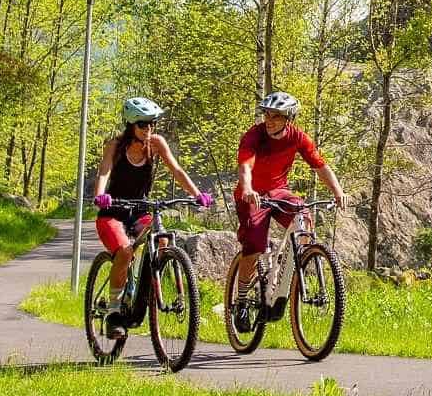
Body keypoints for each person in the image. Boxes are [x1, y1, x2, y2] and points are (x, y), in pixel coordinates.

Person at [92, 95, 212, 337]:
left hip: (139, 210)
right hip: (112, 213)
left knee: (162, 241)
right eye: (143, 124)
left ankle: (145, 294)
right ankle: (114, 312)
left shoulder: (156, 144)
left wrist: (198, 194)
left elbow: (177, 170)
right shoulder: (115, 146)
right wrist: (100, 195)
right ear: (131, 125)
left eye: (152, 124)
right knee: (125, 252)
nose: (149, 129)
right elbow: (104, 172)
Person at [230, 90, 346, 319]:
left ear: (288, 118)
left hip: (279, 192)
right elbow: (245, 167)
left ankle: (290, 266)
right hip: (251, 195)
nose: (269, 121)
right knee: (254, 244)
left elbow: (320, 166)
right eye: (267, 115)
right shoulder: (254, 136)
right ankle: (242, 300)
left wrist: (338, 191)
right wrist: (248, 189)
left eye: (276, 116)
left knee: (304, 217)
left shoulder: (298, 137)